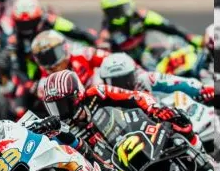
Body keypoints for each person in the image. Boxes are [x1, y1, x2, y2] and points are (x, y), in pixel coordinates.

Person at [41, 70, 201, 163]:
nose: (60, 112)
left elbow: (135, 97)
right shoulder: (63, 131)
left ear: (77, 95)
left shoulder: (96, 93)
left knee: (177, 120)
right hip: (113, 166)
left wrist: (154, 109)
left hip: (138, 135)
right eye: (54, 107)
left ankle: (204, 161)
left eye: (63, 104)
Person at [6, 0, 99, 117]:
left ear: (40, 17)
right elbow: (16, 67)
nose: (27, 29)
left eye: (31, 23)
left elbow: (76, 31)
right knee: (18, 107)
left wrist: (95, 41)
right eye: (23, 25)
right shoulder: (14, 40)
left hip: (60, 58)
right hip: (35, 73)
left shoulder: (52, 21)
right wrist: (28, 83)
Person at [99, 0, 203, 60]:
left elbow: (172, 28)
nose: (118, 16)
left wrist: (193, 39)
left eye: (120, 10)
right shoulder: (106, 31)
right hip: (129, 66)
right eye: (113, 12)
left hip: (155, 57)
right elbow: (101, 48)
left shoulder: (143, 17)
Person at [98, 52, 214, 105]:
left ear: (134, 74)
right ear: (104, 81)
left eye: (126, 79)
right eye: (115, 82)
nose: (122, 86)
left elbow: (176, 82)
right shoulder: (101, 97)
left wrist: (201, 90)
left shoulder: (145, 78)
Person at [31, 30, 110, 94]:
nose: (51, 62)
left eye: (52, 55)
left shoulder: (84, 53)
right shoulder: (44, 84)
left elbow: (111, 59)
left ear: (64, 47)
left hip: (101, 95)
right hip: (77, 110)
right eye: (44, 58)